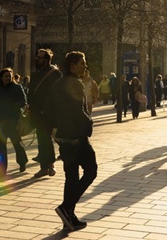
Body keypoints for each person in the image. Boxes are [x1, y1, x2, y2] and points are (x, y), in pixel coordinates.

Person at [48, 51, 96, 231]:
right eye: (82, 63)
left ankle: (69, 217)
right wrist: (89, 123)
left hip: (63, 136)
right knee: (91, 170)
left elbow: (49, 108)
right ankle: (66, 206)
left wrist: (54, 129)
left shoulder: (58, 83)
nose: (85, 66)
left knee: (71, 176)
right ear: (72, 65)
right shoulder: (75, 83)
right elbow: (79, 111)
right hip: (77, 136)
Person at [28, 48, 63, 178]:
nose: (38, 60)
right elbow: (31, 93)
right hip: (37, 112)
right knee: (42, 140)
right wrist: (30, 106)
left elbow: (59, 94)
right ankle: (46, 166)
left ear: (48, 59)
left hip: (50, 112)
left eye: (40, 58)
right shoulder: (36, 74)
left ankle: (49, 165)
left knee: (47, 139)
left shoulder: (55, 74)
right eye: (37, 57)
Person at [0, 68, 28, 177]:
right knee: (1, 147)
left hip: (13, 121)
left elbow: (24, 101)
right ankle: (0, 171)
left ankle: (22, 161)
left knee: (16, 144)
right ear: (1, 78)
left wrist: (14, 105)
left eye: (9, 76)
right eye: (5, 76)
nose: (8, 78)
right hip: (1, 122)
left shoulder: (17, 87)